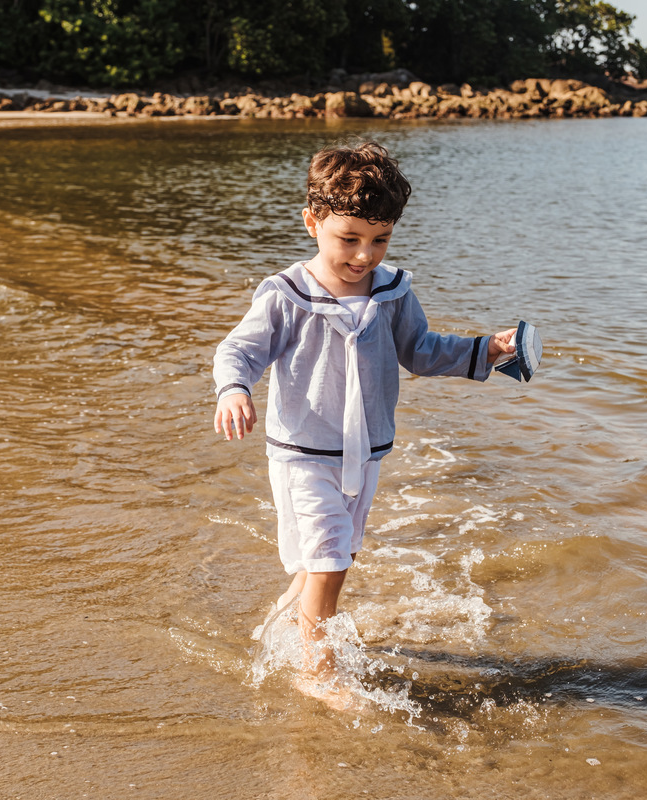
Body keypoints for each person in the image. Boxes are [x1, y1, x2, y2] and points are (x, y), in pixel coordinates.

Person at [212, 141, 516, 702]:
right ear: (313, 222)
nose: (363, 255)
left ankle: (285, 614)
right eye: (348, 238)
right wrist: (233, 390)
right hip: (303, 452)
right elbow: (239, 350)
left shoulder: (392, 291)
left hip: (365, 452)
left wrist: (488, 350)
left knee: (337, 553)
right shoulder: (288, 295)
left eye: (379, 240)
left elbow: (422, 349)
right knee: (328, 557)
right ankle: (317, 671)